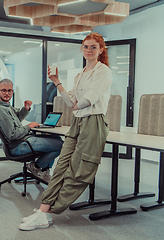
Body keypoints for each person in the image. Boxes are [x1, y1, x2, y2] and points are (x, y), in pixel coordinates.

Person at [19, 32, 113, 231]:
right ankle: (44, 210)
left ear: (101, 50)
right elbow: (71, 102)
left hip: (93, 122)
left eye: (93, 47)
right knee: (61, 166)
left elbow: (86, 101)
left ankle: (48, 211)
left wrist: (76, 104)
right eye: (86, 46)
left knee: (80, 170)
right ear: (82, 48)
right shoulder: (80, 75)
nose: (88, 50)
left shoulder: (103, 71)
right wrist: (56, 80)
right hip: (78, 122)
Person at [0, 79, 63, 182]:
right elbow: (12, 135)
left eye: (9, 90)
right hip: (18, 145)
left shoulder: (5, 105)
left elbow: (17, 117)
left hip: (23, 140)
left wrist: (25, 108)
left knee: (56, 138)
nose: (7, 93)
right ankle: (37, 167)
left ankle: (43, 170)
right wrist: (29, 126)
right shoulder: (0, 110)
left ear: (13, 91)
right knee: (61, 144)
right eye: (4, 90)